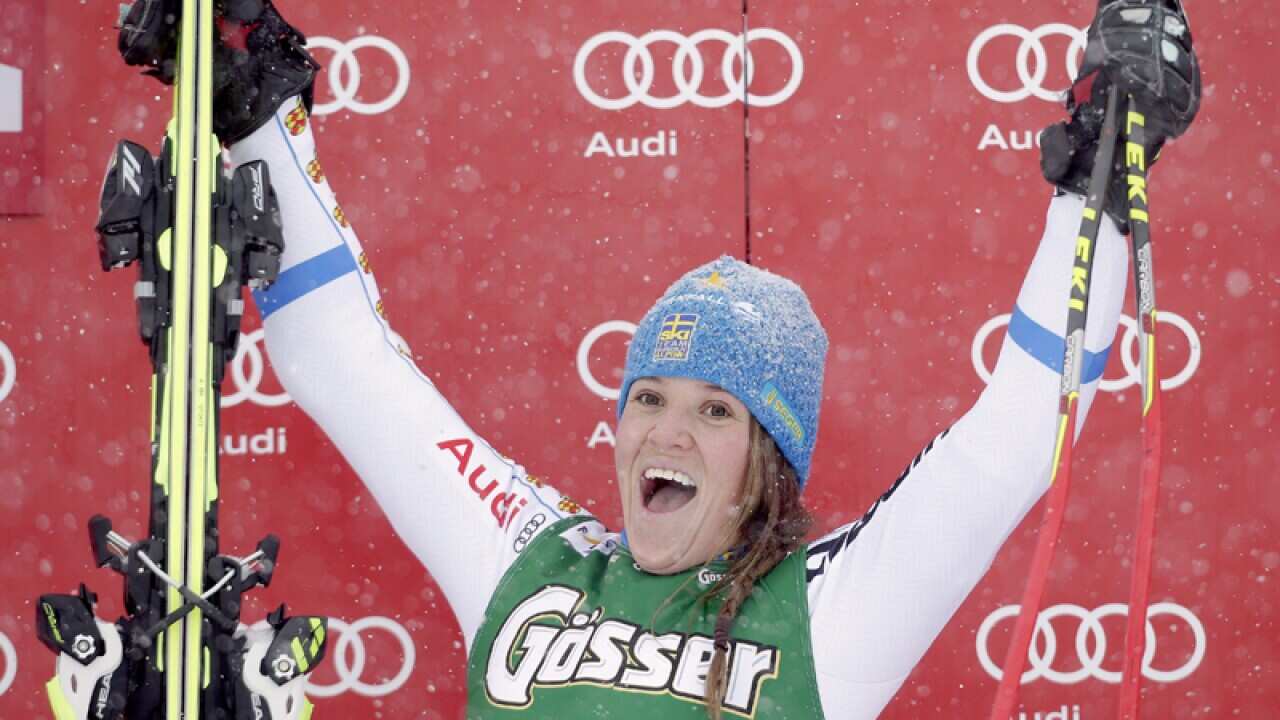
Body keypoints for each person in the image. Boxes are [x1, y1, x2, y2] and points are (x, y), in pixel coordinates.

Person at [118, 0, 1200, 716]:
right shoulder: (532, 561)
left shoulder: (830, 611)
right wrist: (251, 106)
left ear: (770, 460)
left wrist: (1103, 174)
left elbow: (1018, 428)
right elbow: (343, 362)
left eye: (717, 411)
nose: (666, 432)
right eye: (648, 397)